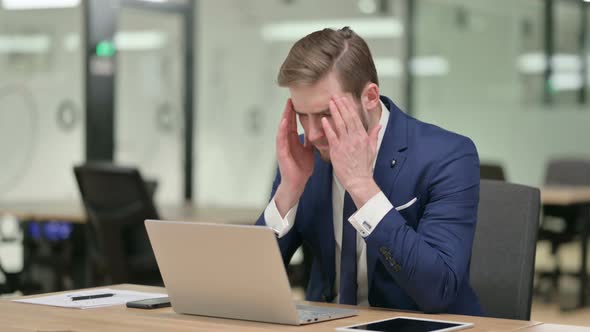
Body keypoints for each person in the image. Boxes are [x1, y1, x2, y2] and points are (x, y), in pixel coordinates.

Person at [255, 26, 483, 316]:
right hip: (329, 324)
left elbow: (438, 290)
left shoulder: (447, 156)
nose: (311, 134)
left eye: (326, 115)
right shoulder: (304, 155)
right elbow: (248, 287)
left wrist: (362, 186)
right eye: (302, 116)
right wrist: (288, 191)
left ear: (370, 97)